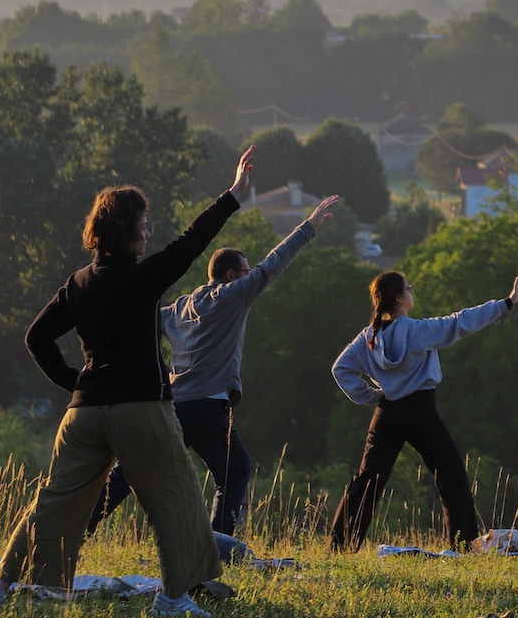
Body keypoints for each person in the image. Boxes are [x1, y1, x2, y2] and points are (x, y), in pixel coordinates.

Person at [0, 145, 256, 618]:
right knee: (177, 500)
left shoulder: (78, 282)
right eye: (143, 224)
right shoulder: (142, 279)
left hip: (83, 414)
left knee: (53, 501)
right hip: (140, 408)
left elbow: (36, 337)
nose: (148, 232)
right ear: (124, 230)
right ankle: (173, 598)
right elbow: (191, 242)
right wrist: (233, 194)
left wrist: (74, 381)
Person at [85, 194, 340, 540]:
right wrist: (308, 227)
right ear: (232, 275)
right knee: (235, 470)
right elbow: (272, 265)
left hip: (173, 405)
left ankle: (78, 525)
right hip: (206, 405)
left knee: (132, 470)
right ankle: (218, 547)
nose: (250, 279)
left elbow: (138, 323)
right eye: (245, 274)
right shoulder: (232, 297)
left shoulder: (178, 308)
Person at [326, 266, 518, 551]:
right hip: (419, 409)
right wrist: (505, 303)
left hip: (386, 413)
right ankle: (463, 546)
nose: (411, 291)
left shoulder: (368, 337)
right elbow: (460, 322)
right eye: (407, 288)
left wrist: (374, 396)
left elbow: (341, 369)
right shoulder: (417, 330)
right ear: (398, 298)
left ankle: (339, 546)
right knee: (450, 473)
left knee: (367, 479)